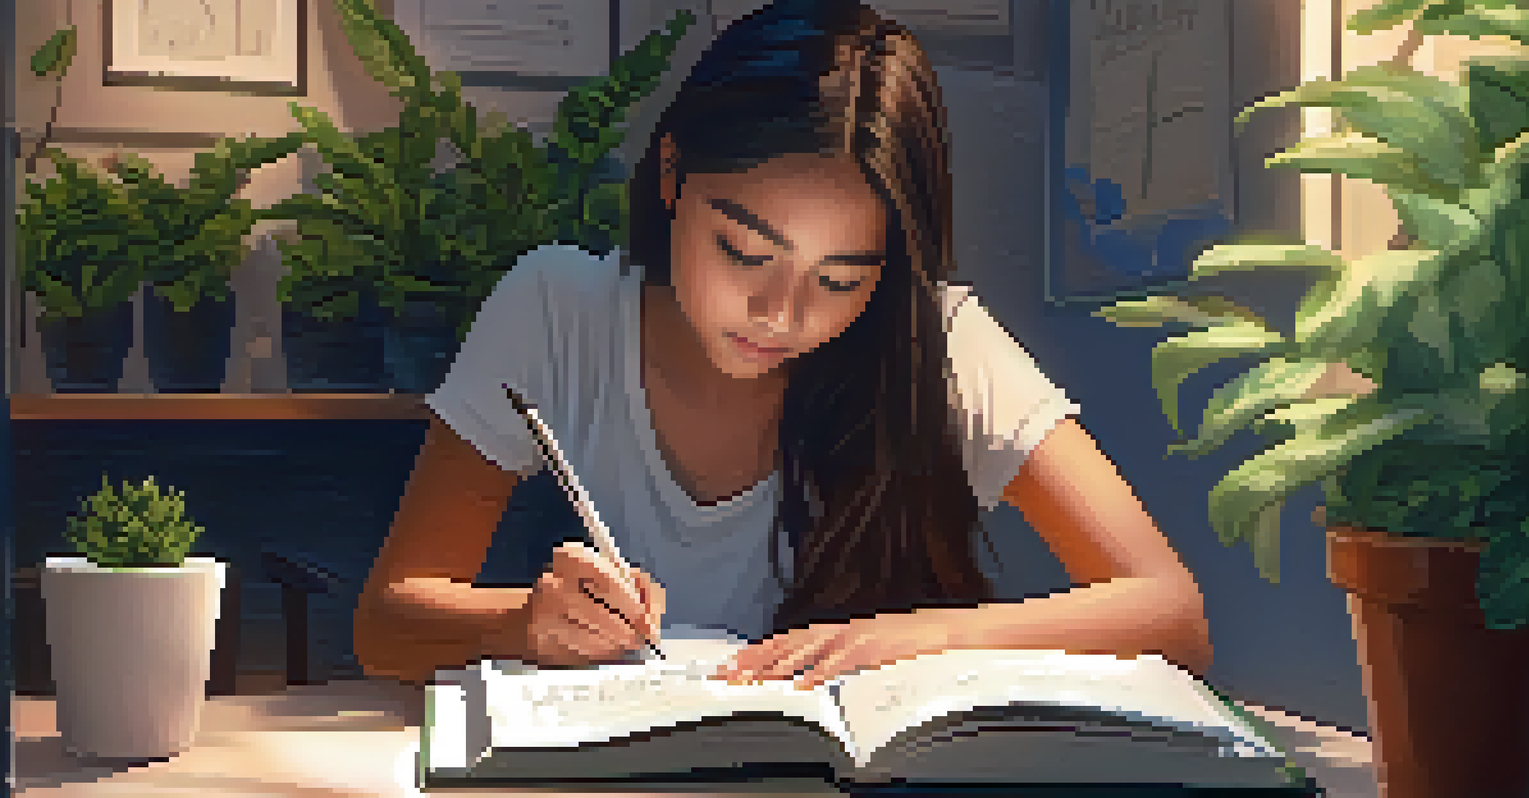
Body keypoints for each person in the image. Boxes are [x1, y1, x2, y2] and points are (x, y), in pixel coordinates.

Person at [354, 0, 1213, 689]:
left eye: (840, 279)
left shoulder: (935, 341)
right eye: (744, 252)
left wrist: (927, 639)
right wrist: (523, 625)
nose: (779, 313)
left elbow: (1172, 615)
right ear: (672, 175)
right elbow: (386, 627)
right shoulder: (556, 309)